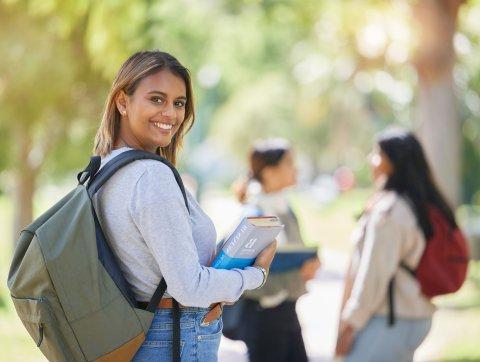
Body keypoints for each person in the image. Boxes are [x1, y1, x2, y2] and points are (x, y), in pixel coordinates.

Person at [91, 50, 277, 361]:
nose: (171, 113)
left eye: (179, 103)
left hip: (134, 336)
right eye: (156, 99)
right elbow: (188, 287)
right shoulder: (151, 176)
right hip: (174, 339)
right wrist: (255, 274)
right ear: (122, 101)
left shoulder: (103, 168)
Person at [336, 128, 458, 361]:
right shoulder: (415, 203)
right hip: (412, 316)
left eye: (376, 153)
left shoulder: (389, 212)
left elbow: (374, 275)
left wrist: (350, 324)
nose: (370, 160)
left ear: (391, 161)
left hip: (392, 321)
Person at [232, 138, 321, 362]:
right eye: (289, 163)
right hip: (263, 316)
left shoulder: (285, 207)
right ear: (270, 172)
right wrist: (298, 275)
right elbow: (241, 276)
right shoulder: (254, 213)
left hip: (286, 310)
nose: (296, 169)